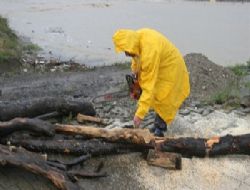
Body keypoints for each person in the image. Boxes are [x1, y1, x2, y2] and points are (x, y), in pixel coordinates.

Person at [112, 28, 190, 137]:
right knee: (156, 94)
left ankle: (160, 130)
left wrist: (139, 115)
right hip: (161, 65)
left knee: (165, 96)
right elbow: (137, 60)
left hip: (172, 69)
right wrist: (136, 77)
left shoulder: (150, 52)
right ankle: (157, 125)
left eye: (126, 50)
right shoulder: (137, 39)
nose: (126, 53)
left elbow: (149, 87)